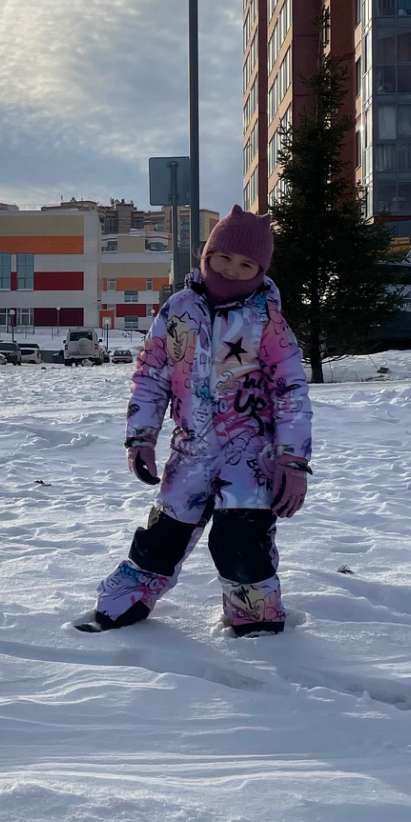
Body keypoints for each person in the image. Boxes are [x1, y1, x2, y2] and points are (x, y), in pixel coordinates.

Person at [75, 204, 312, 636]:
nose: (232, 270)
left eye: (246, 265)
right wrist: (141, 437)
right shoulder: (177, 311)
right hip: (191, 451)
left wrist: (291, 461)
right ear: (207, 254)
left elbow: (291, 393)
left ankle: (255, 618)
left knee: (241, 542)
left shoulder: (267, 322)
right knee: (163, 534)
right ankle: (124, 603)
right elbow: (150, 376)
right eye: (224, 258)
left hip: (250, 458)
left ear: (260, 271)